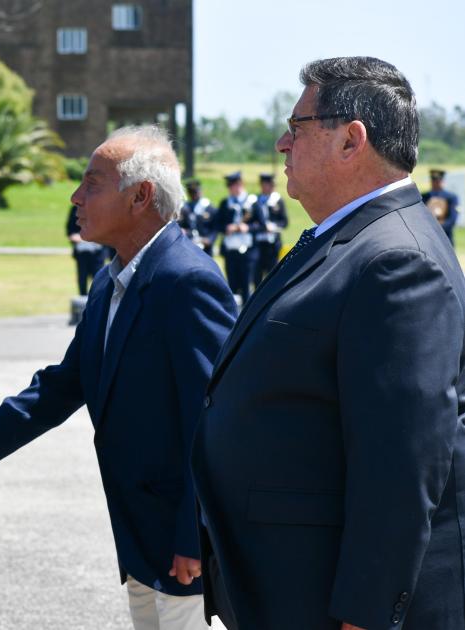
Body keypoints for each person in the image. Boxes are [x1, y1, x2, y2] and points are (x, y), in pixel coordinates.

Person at [191, 57, 465, 630]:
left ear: (350, 140)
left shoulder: (395, 260)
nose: (281, 143)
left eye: (298, 127)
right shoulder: (347, 237)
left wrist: (364, 614)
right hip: (289, 586)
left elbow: (401, 459)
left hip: (330, 602)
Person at [0, 125, 237, 630]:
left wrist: (194, 534)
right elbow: (67, 382)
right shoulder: (110, 278)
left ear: (141, 196)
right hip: (137, 530)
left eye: (92, 184)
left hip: (178, 546)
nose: (76, 197)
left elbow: (214, 418)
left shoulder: (187, 280)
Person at [214, 172, 258, 304]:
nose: (232, 189)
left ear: (241, 185)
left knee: (246, 284)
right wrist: (226, 228)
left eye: (235, 185)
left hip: (247, 249)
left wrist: (248, 228)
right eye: (230, 186)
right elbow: (217, 224)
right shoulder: (225, 203)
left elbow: (261, 224)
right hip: (230, 248)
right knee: (231, 284)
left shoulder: (252, 202)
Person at [251, 173, 288, 283]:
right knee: (256, 275)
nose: (272, 187)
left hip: (272, 243)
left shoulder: (278, 200)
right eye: (269, 185)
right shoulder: (255, 201)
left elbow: (284, 222)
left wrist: (274, 226)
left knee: (272, 275)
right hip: (258, 242)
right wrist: (261, 227)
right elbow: (251, 221)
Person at [67, 204, 107, 295]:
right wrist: (74, 236)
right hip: (82, 251)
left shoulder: (102, 208)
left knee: (98, 278)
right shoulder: (75, 209)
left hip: (98, 250)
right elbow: (70, 229)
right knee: (82, 278)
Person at [178, 179, 216, 256]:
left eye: (195, 192)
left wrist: (209, 240)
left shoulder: (209, 208)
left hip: (205, 247)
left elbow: (215, 227)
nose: (194, 195)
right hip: (189, 244)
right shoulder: (185, 208)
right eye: (191, 193)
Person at [422, 168, 459, 244]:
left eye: (438, 181)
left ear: (442, 181)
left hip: (445, 235)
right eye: (434, 180)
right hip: (428, 235)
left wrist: (437, 229)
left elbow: (452, 219)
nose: (435, 183)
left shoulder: (451, 197)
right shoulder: (424, 197)